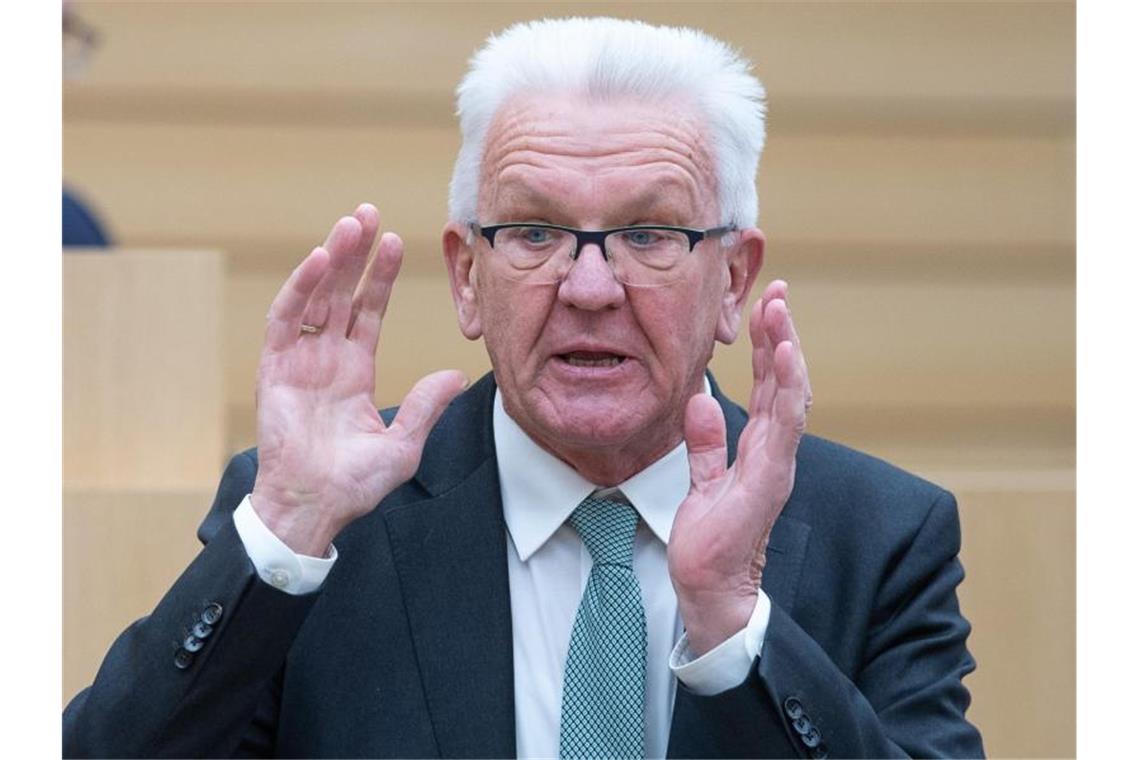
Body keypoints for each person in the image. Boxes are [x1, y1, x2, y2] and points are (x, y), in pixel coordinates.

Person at [63, 17, 983, 759]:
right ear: (467, 276)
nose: (589, 288)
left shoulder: (880, 536)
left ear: (733, 281)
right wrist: (285, 537)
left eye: (650, 235)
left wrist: (735, 631)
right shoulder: (326, 530)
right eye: (536, 233)